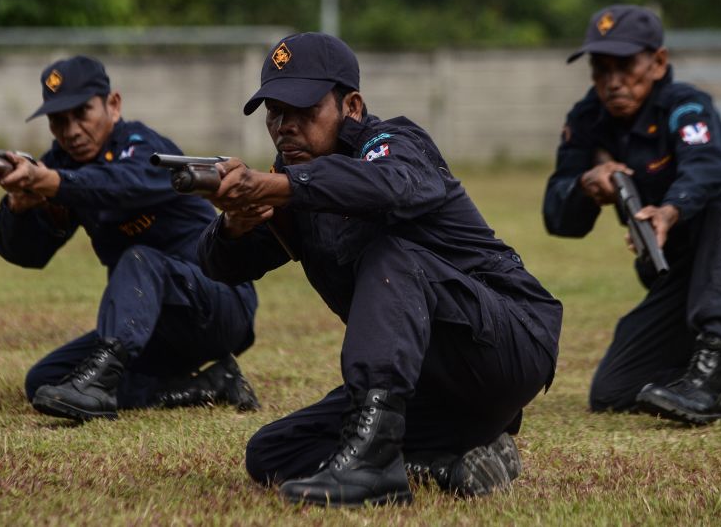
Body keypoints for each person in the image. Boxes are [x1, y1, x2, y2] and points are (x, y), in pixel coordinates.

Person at [195, 32, 563, 506]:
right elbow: (221, 267)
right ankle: (454, 459)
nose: (285, 126)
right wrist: (234, 224)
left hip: (510, 342)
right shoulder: (294, 184)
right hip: (437, 384)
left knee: (394, 254)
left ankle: (373, 467)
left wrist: (279, 186)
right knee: (275, 451)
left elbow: (387, 186)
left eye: (304, 109)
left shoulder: (393, 143)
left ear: (351, 105)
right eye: (275, 112)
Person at [543, 4, 721, 425]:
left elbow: (708, 166)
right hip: (684, 266)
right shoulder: (588, 119)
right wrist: (586, 186)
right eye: (601, 69)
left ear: (658, 63)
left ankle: (709, 375)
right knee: (614, 390)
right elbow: (558, 216)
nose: (613, 81)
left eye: (625, 66)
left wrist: (671, 209)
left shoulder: (685, 106)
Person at [0, 55, 260, 421]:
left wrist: (54, 184)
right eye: (58, 120)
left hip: (218, 305)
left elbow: (119, 186)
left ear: (112, 105)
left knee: (139, 258)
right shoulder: (61, 164)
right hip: (152, 325)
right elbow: (27, 254)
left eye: (81, 113)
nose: (70, 130)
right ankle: (209, 386)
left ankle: (98, 385)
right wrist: (20, 206)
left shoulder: (143, 146)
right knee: (46, 380)